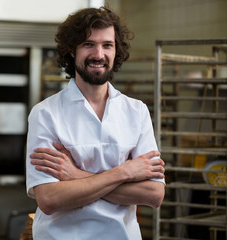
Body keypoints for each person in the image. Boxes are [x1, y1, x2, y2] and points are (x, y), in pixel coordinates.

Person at [25, 6, 165, 240]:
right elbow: (49, 199)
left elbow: (153, 194)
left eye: (107, 45)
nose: (99, 54)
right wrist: (125, 171)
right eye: (88, 44)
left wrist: (75, 176)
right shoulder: (45, 114)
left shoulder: (136, 111)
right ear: (72, 50)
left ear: (116, 50)